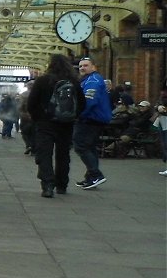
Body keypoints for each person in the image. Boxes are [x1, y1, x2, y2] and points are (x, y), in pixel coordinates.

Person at [27, 55, 85, 197]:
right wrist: (72, 117)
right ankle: (62, 185)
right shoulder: (74, 82)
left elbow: (31, 103)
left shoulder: (42, 81)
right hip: (66, 125)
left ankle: (47, 185)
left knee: (44, 155)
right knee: (63, 155)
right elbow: (82, 104)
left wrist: (38, 119)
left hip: (45, 124)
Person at [73, 56, 113, 189]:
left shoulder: (93, 80)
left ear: (93, 67)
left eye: (86, 65)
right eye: (80, 66)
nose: (82, 68)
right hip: (93, 118)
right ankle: (91, 177)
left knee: (80, 145)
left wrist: (78, 115)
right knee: (89, 147)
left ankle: (96, 175)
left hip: (90, 118)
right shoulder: (87, 80)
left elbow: (89, 101)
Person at [18, 82, 35, 154]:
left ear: (27, 87)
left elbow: (20, 106)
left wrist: (21, 113)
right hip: (36, 116)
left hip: (25, 116)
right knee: (34, 133)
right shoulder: (39, 94)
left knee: (24, 132)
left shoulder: (23, 95)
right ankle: (34, 148)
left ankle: (28, 145)